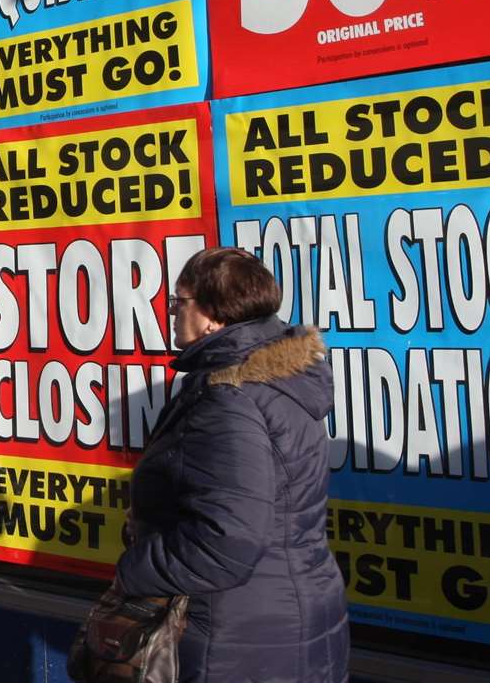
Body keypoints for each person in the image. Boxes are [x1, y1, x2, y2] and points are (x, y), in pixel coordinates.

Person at [116, 248, 349, 683]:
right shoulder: (273, 380)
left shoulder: (228, 398)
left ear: (213, 315)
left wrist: (134, 569)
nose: (170, 312)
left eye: (178, 301)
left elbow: (226, 543)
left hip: (236, 638)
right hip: (287, 617)